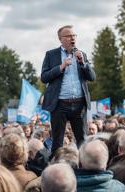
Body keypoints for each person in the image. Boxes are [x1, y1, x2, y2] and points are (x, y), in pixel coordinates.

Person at [41, 25, 96, 158]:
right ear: (61, 39)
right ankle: (54, 170)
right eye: (68, 36)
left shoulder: (81, 54)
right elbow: (44, 77)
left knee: (82, 140)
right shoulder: (51, 55)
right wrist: (61, 66)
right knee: (57, 142)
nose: (72, 38)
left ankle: (85, 168)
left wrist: (83, 63)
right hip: (59, 104)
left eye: (74, 35)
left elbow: (92, 77)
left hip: (78, 104)